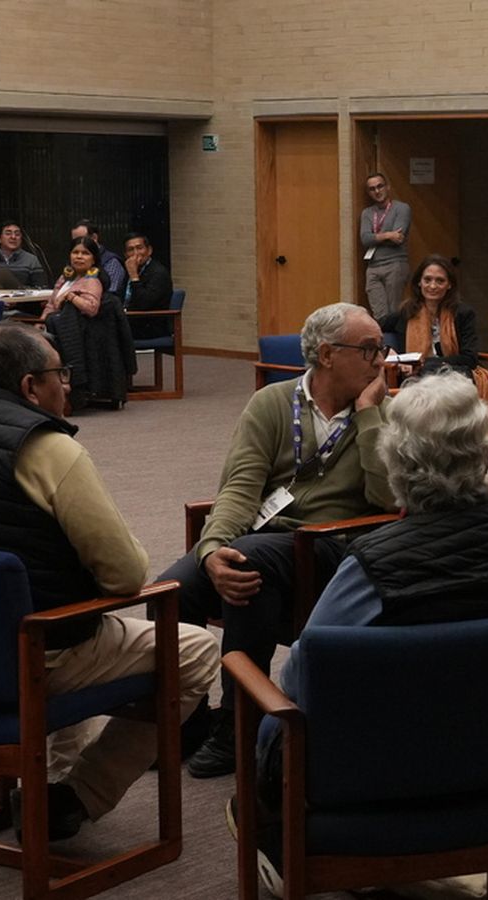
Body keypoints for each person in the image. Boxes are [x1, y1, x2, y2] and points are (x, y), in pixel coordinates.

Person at [235, 370, 488, 884]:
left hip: (379, 773)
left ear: (395, 460)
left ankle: (289, 850)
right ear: (485, 452)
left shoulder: (374, 561)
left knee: (274, 715)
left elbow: (302, 675)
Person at [0, 323, 218, 841]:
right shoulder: (47, 450)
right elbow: (124, 575)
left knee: (61, 624)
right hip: (20, 665)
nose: (66, 385)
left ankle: (48, 788)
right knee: (193, 650)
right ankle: (77, 796)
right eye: (59, 374)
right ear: (29, 386)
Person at [156, 302, 394, 778]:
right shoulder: (272, 403)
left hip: (334, 546)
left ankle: (238, 725)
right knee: (171, 591)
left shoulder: (386, 414)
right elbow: (240, 488)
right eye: (369, 349)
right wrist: (211, 551)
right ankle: (187, 722)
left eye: (380, 349)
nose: (380, 361)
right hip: (264, 542)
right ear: (327, 354)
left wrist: (369, 415)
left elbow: (388, 496)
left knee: (250, 563)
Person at [381, 255, 488, 419]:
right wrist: (388, 350)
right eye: (427, 280)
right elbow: (371, 329)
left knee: (435, 377)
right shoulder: (407, 312)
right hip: (415, 376)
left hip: (454, 374)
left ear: (449, 285)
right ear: (419, 282)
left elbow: (470, 358)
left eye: (440, 281)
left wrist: (426, 363)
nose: (433, 286)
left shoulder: (463, 313)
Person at [44, 236, 135, 409]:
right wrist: (39, 324)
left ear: (93, 259)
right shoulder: (65, 277)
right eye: (75, 252)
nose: (79, 257)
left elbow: (91, 308)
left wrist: (71, 296)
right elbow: (51, 305)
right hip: (55, 326)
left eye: (85, 253)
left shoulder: (92, 280)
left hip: (77, 333)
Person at [358, 173, 411, 322]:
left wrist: (376, 237)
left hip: (395, 264)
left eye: (380, 186)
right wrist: (388, 235)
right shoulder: (367, 213)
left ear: (388, 187)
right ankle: (383, 338)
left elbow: (398, 238)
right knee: (379, 315)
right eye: (372, 189)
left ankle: (396, 338)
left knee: (394, 312)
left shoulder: (401, 208)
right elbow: (365, 239)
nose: (377, 191)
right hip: (373, 267)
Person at [122, 232, 175, 340]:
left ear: (149, 250)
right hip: (129, 320)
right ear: (125, 254)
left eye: (139, 248)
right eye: (130, 250)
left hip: (150, 325)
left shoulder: (158, 273)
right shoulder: (128, 270)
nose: (135, 253)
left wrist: (134, 276)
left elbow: (143, 304)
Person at [0, 220, 48, 288]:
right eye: (8, 234)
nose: (13, 237)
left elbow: (41, 288)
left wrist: (22, 289)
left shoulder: (32, 261)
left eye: (17, 234)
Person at [70, 220, 127, 295]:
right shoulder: (74, 263)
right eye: (75, 241)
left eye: (81, 239)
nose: (79, 256)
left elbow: (111, 294)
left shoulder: (111, 262)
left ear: (94, 237)